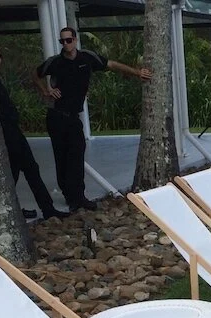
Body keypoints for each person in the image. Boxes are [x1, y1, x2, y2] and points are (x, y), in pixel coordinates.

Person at [33, 27, 151, 212]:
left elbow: (112, 65)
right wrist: (45, 90)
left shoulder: (87, 58)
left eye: (69, 40)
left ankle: (79, 197)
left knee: (77, 156)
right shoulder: (55, 62)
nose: (66, 44)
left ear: (75, 40)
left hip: (73, 117)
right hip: (56, 117)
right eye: (62, 41)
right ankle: (70, 197)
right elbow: (36, 74)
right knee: (62, 158)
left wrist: (137, 73)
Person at [0, 41, 69, 221]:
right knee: (27, 169)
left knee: (20, 171)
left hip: (12, 131)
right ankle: (46, 209)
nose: (1, 58)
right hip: (8, 133)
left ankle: (20, 208)